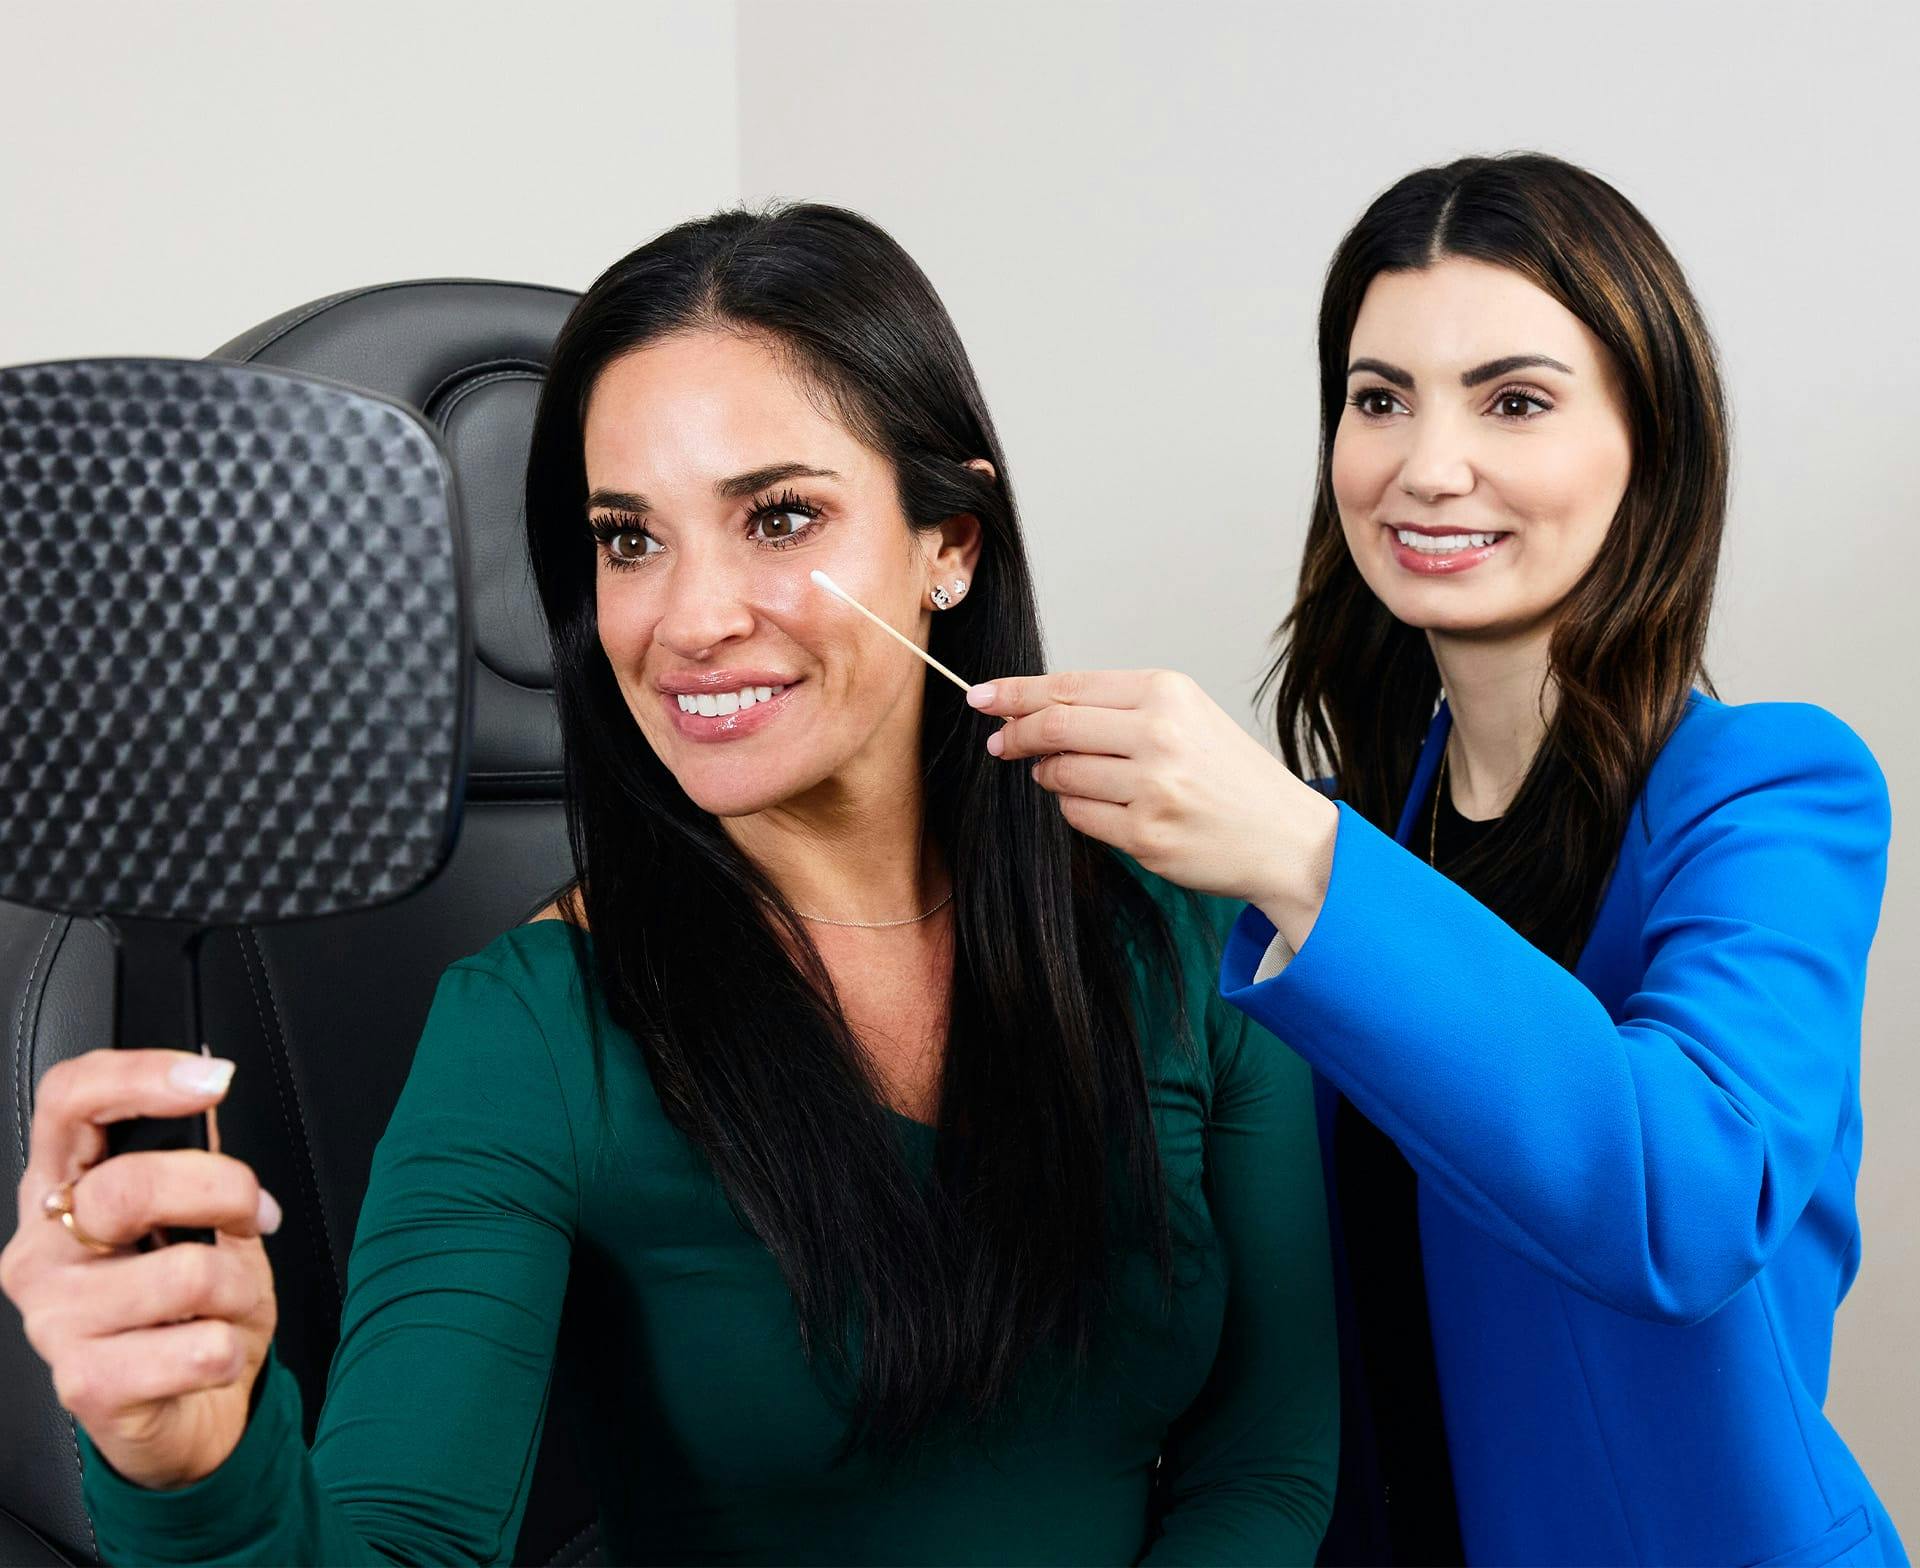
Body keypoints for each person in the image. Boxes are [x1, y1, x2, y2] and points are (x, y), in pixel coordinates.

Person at [1, 204, 1338, 1566]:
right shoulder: (533, 1030)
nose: (689, 621)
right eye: (629, 540)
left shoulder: (1186, 922)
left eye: (779, 517)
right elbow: (399, 1548)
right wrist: (192, 1474)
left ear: (952, 542)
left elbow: (1270, 1464)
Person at [969, 154, 1906, 1566]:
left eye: (1514, 401)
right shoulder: (1356, 840)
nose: (1426, 466)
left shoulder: (1769, 794)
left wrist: (1298, 849)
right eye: (1378, 398)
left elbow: (1687, 1200)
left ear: (1652, 441)